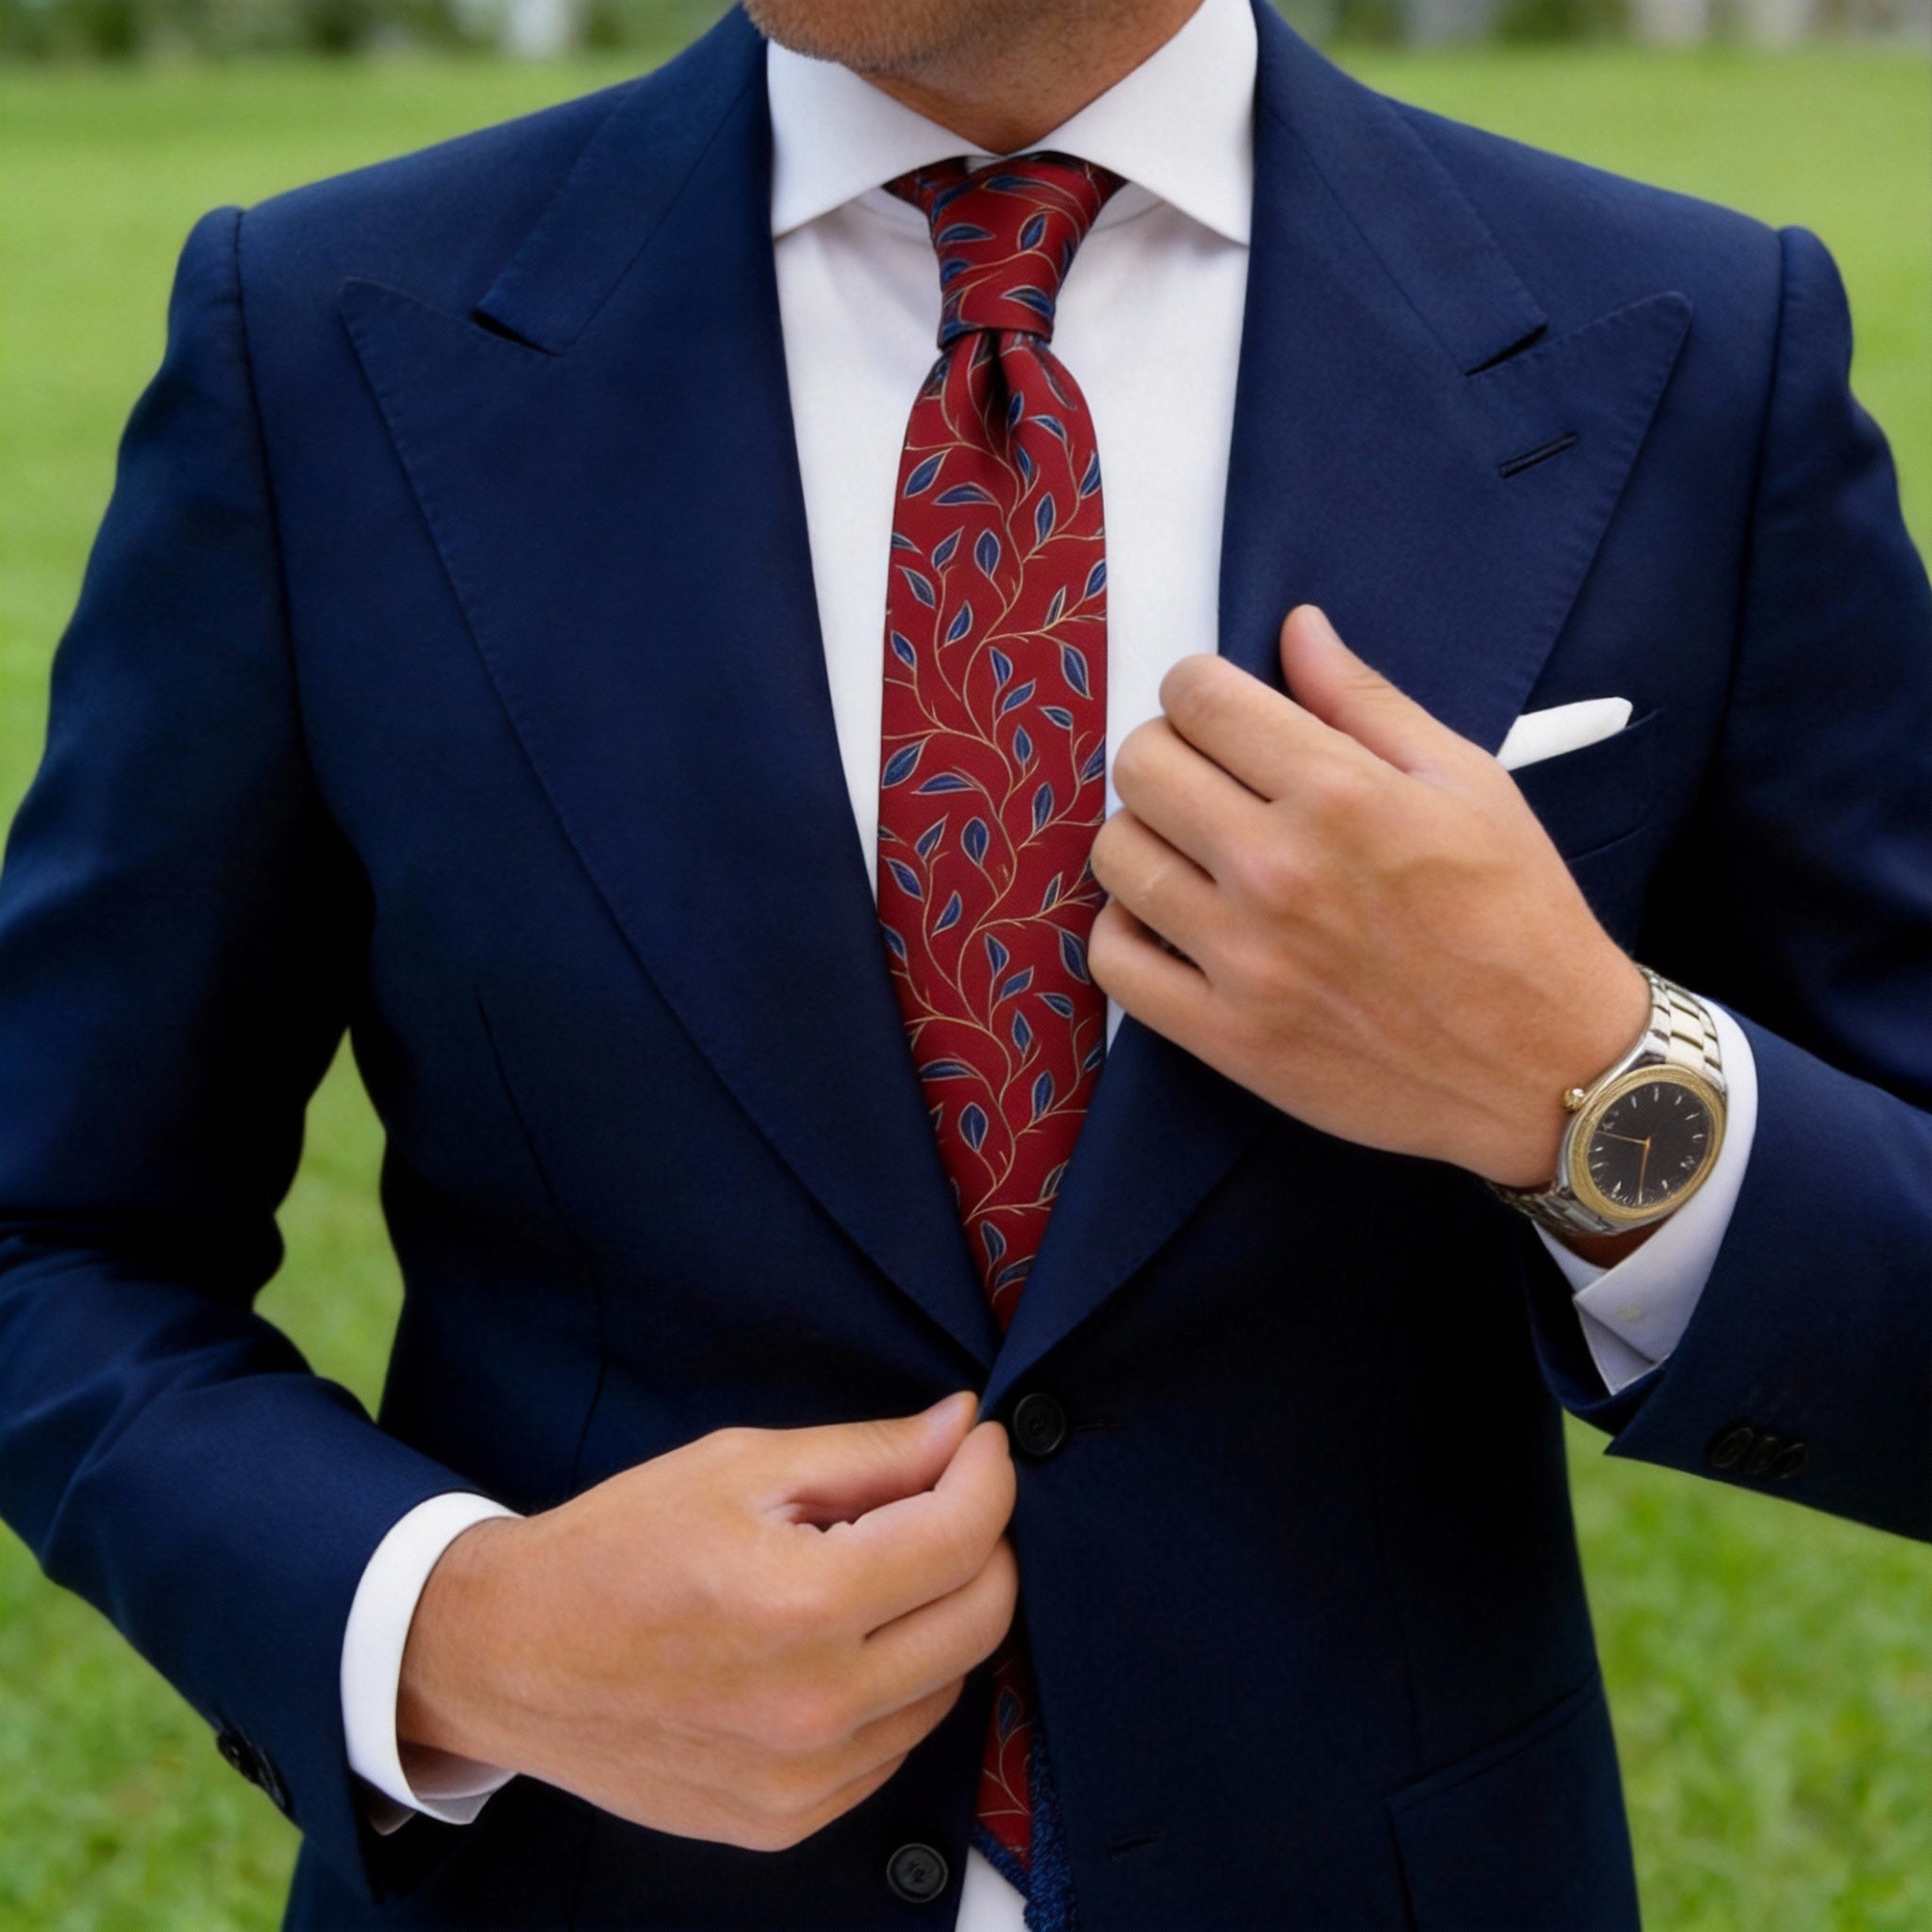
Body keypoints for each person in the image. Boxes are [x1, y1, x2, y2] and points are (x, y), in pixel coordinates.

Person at [0, 0, 1926, 1924]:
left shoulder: (1686, 344)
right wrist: (457, 1630)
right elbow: (52, 1233)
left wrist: (1587, 1081)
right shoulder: (326, 335)